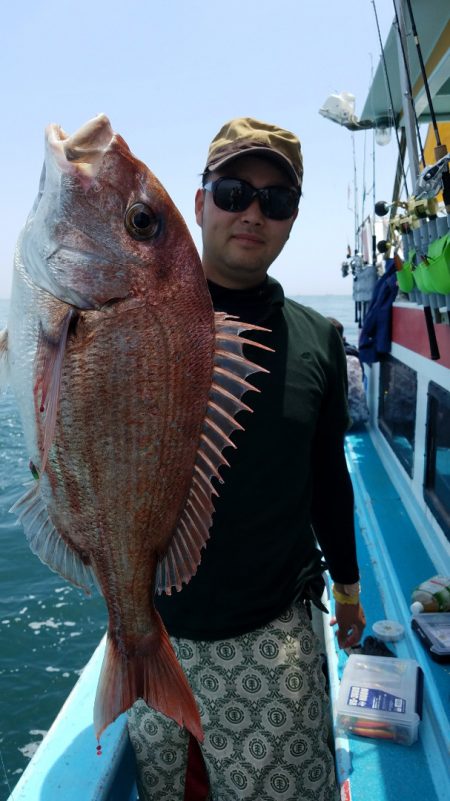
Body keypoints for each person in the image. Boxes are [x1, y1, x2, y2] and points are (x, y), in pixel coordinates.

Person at [127, 117, 366, 801]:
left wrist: (347, 590)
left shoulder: (319, 340)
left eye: (276, 200)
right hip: (152, 634)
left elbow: (328, 480)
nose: (252, 212)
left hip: (271, 636)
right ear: (199, 204)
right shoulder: (131, 323)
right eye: (233, 191)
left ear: (292, 219)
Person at [327, 318, 369, 430]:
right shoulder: (355, 356)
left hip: (339, 424)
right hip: (361, 418)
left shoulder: (327, 359)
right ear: (343, 339)